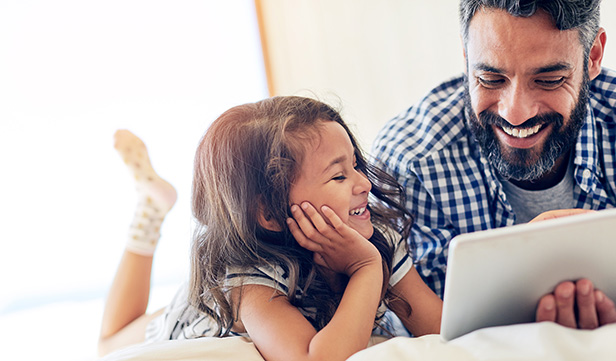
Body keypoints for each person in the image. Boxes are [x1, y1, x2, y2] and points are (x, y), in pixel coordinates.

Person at [98, 96, 443, 360]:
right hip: (191, 316)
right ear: (269, 213)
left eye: (355, 165)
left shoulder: (377, 239)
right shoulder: (250, 282)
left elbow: (439, 327)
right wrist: (365, 269)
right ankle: (152, 209)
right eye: (338, 175)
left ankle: (153, 204)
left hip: (213, 292)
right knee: (108, 344)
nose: (363, 184)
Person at [372, 0, 616, 330]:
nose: (516, 113)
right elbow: (425, 334)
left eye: (549, 80)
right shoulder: (411, 163)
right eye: (490, 78)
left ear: (593, 57)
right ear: (465, 57)